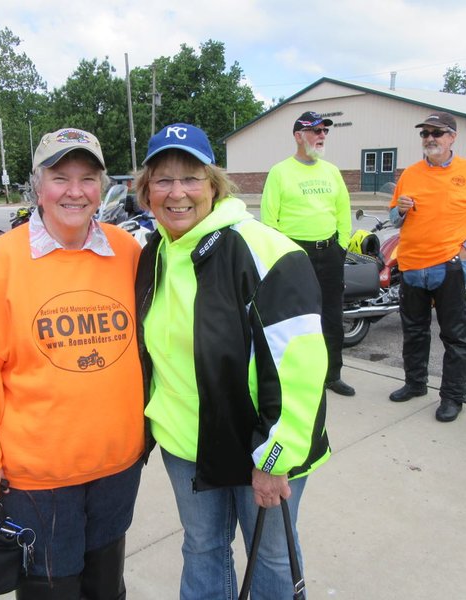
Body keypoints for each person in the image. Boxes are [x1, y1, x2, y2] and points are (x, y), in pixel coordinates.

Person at [0, 128, 145, 600]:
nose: (75, 191)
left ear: (103, 187)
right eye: (60, 177)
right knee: (50, 589)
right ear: (38, 186)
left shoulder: (128, 252)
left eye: (88, 178)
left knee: (106, 585)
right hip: (36, 478)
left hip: (117, 466)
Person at [135, 123, 330, 599]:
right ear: (145, 192)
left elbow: (301, 373)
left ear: (215, 185)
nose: (177, 193)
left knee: (271, 557)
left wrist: (275, 457)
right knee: (202, 548)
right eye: (162, 179)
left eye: (191, 178)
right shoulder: (154, 253)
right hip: (186, 446)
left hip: (261, 448)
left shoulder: (265, 251)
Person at [388, 111, 466, 422]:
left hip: (449, 266)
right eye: (424, 133)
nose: (429, 139)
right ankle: (414, 383)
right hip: (411, 266)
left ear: (452, 137)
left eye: (436, 133)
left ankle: (453, 396)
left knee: (454, 336)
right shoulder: (410, 174)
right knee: (413, 332)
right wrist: (399, 210)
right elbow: (395, 218)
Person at [261, 111, 355, 397]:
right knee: (295, 318)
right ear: (298, 136)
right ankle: (297, 377)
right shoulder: (280, 172)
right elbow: (269, 220)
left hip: (329, 253)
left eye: (324, 131)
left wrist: (341, 246)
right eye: (315, 131)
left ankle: (332, 374)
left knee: (331, 317)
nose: (322, 136)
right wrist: (280, 256)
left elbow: (343, 212)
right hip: (294, 254)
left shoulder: (332, 172)